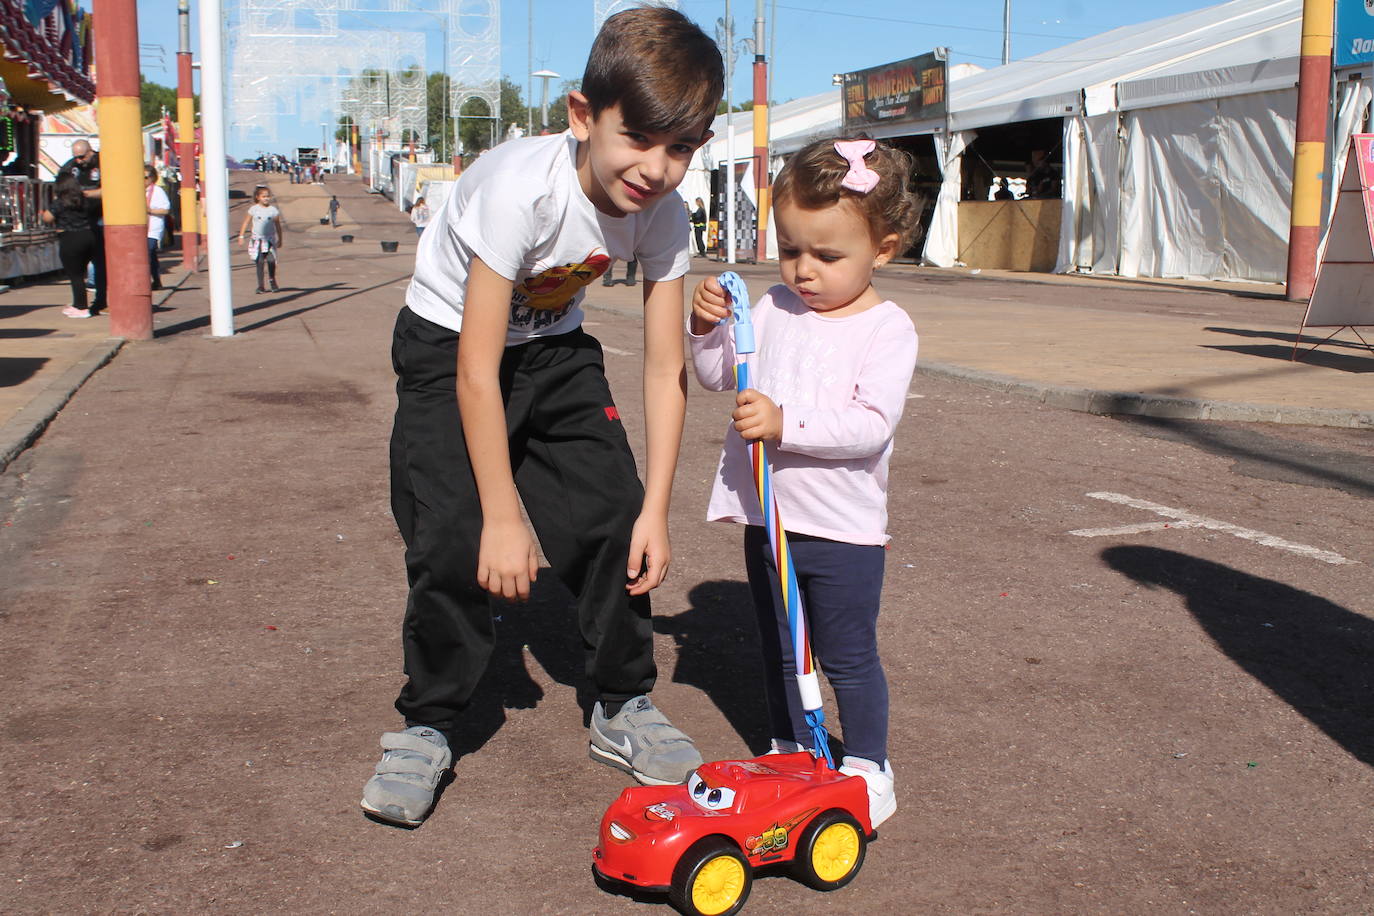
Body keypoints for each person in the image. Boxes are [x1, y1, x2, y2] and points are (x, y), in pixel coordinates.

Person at [361, 5, 724, 828]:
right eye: (638, 138)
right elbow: (476, 373)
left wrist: (657, 511)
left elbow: (666, 368)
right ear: (583, 116)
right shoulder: (519, 189)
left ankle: (623, 704)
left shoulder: (664, 213)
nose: (657, 169)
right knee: (450, 537)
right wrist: (501, 514)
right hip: (449, 347)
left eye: (681, 149)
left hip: (556, 348)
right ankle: (430, 722)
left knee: (613, 516)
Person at [687, 136, 920, 829]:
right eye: (790, 250)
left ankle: (869, 766)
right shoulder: (771, 308)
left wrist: (785, 423)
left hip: (842, 531)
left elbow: (870, 425)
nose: (803, 271)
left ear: (884, 246)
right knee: (783, 649)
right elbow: (718, 375)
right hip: (772, 519)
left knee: (846, 657)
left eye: (826, 255)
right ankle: (790, 748)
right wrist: (704, 330)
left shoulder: (887, 328)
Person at [57, 139, 105, 316]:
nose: (78, 160)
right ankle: (81, 303)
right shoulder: (70, 167)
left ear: (90, 151)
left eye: (81, 156)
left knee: (101, 264)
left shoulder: (103, 162)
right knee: (77, 268)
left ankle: (101, 301)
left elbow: (111, 189)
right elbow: (61, 187)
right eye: (75, 157)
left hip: (102, 218)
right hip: (80, 223)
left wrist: (83, 194)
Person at [41, 173, 98, 318]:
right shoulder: (84, 200)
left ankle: (81, 306)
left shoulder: (60, 202)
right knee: (87, 271)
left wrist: (44, 212)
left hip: (70, 238)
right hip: (89, 236)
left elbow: (48, 217)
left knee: (75, 275)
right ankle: (95, 302)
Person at [237, 185, 283, 293]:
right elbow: (246, 222)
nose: (266, 198)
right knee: (260, 262)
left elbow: (278, 225)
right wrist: (241, 236)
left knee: (271, 260)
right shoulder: (253, 209)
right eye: (263, 196)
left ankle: (272, 279)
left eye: (268, 196)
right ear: (258, 197)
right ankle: (261, 285)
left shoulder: (273, 210)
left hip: (270, 240)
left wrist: (280, 239)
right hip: (257, 240)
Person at [145, 166, 171, 290]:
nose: (143, 180)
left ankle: (152, 279)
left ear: (152, 178)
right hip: (141, 229)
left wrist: (150, 210)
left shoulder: (158, 191)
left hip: (153, 228)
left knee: (149, 251)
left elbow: (165, 210)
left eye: (146, 177)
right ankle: (156, 279)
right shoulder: (136, 190)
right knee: (151, 256)